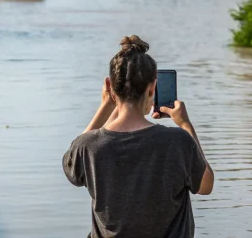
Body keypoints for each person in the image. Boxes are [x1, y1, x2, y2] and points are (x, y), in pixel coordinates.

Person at [63, 36, 214, 238]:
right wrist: (185, 124)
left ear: (109, 86)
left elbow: (72, 166)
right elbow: (205, 186)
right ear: (152, 88)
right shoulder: (178, 141)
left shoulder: (89, 146)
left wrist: (106, 106)